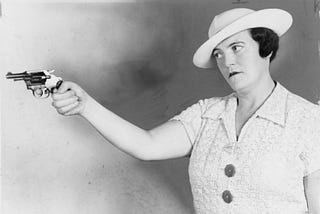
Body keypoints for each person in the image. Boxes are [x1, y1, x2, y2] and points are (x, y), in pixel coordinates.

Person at [51, 8, 320, 214]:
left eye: (236, 48)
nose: (227, 61)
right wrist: (85, 105)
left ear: (266, 48)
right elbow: (147, 145)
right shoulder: (206, 114)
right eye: (219, 54)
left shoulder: (308, 121)